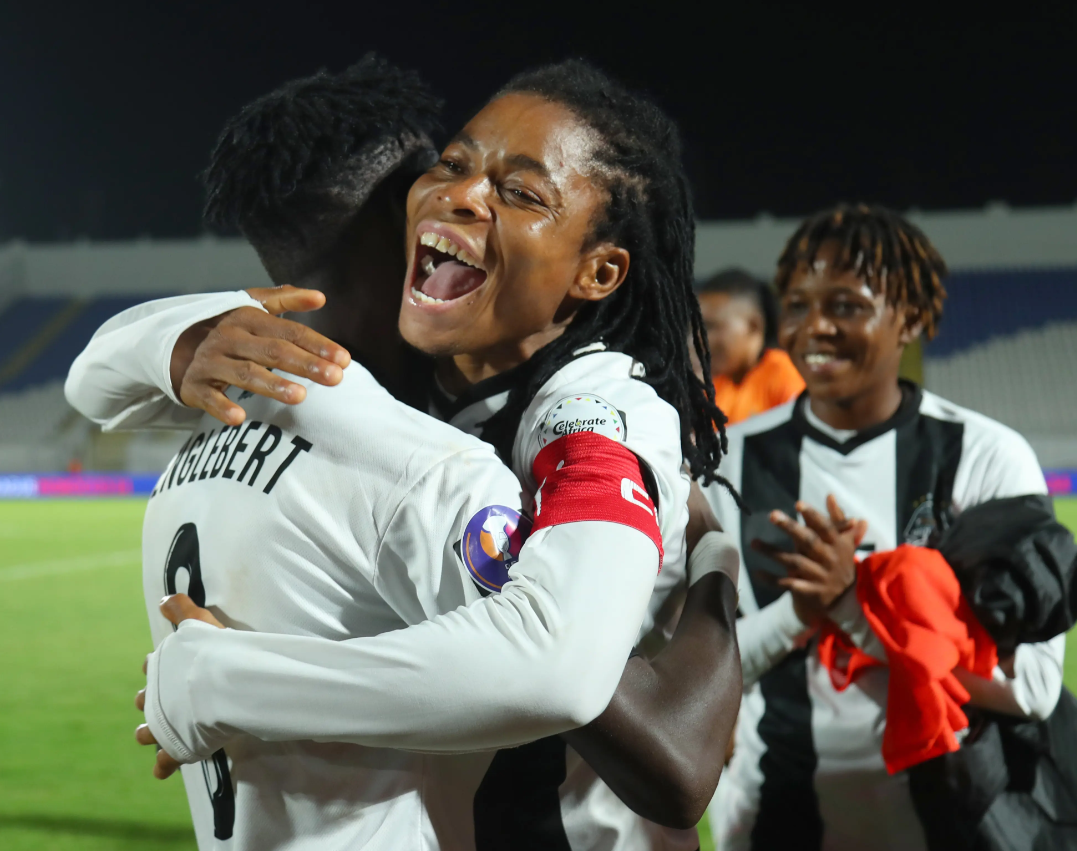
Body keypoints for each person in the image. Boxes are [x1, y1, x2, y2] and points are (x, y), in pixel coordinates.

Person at [68, 58, 742, 850]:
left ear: (598, 271)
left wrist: (225, 679)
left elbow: (604, 705)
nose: (463, 193)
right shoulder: (397, 380)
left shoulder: (594, 412)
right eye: (453, 165)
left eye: (521, 191)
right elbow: (93, 378)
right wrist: (177, 341)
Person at [703, 203, 1069, 851]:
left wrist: (852, 604)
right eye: (797, 303)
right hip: (774, 821)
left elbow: (1032, 686)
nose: (814, 326)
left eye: (845, 304)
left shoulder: (985, 455)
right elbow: (701, 666)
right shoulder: (728, 460)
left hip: (954, 822)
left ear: (912, 317)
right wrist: (802, 610)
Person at [697, 268, 803, 425]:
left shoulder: (786, 378)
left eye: (712, 326)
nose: (701, 338)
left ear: (753, 326)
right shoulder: (716, 388)